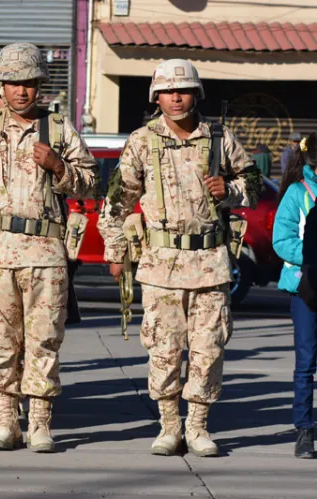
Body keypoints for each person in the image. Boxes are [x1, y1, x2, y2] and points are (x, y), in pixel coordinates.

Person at [98, 59, 261, 457]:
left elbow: (253, 184)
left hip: (209, 263)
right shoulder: (142, 140)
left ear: (196, 94)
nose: (176, 97)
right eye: (168, 91)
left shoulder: (220, 138)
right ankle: (169, 425)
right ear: (156, 96)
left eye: (183, 90)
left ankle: (199, 426)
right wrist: (115, 250)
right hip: (161, 265)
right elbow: (117, 200)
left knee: (208, 350)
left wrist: (232, 191)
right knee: (164, 349)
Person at [0, 43, 98, 453]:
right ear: (2, 87)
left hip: (46, 252)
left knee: (44, 339)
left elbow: (90, 183)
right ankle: (6, 420)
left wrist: (58, 167)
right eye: (12, 84)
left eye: (28, 83)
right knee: (0, 339)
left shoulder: (60, 131)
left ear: (39, 86)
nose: (21, 92)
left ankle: (41, 422)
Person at [273, 132, 317, 459]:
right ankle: (304, 430)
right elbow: (281, 239)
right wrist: (312, 255)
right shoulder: (296, 193)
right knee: (306, 363)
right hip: (307, 287)